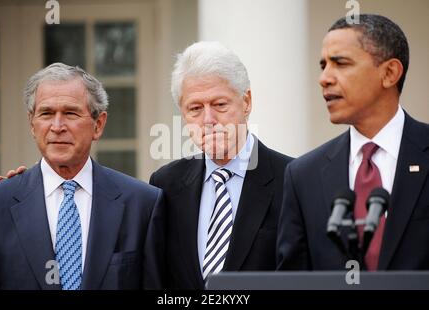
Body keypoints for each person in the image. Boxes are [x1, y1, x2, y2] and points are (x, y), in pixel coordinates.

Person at [0, 63, 165, 289]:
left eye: (70, 113)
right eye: (46, 113)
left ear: (98, 124)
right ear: (32, 124)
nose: (57, 126)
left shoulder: (142, 204)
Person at [276, 14, 429, 271]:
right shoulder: (302, 176)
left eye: (341, 63)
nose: (324, 78)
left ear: (390, 73)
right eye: (323, 65)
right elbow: (293, 282)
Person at [149, 41, 292, 289]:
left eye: (219, 105)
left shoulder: (293, 180)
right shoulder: (165, 184)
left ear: (246, 102)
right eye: (195, 108)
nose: (208, 120)